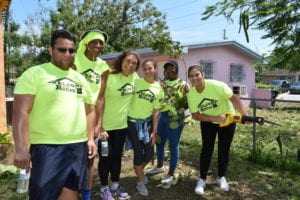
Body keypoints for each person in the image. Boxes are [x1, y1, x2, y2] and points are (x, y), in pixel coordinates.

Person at [12, 29, 97, 200]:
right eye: (62, 49)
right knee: (43, 196)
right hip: (47, 148)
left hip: (77, 147)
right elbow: (21, 112)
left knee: (71, 192)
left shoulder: (80, 79)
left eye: (71, 50)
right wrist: (21, 148)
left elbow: (90, 111)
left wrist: (89, 139)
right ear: (51, 50)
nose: (67, 54)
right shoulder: (34, 74)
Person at [186, 64, 247, 195]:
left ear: (203, 75)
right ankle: (202, 179)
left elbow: (234, 99)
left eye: (197, 74)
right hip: (208, 122)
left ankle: (221, 177)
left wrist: (244, 116)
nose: (194, 78)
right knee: (207, 149)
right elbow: (195, 115)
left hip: (228, 120)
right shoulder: (191, 94)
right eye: (191, 76)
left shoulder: (217, 86)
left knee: (224, 149)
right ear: (189, 78)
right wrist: (216, 118)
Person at [96, 50, 140, 200]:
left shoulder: (134, 77)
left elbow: (145, 86)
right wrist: (99, 126)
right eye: (128, 61)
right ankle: (103, 188)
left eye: (134, 63)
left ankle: (115, 185)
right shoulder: (109, 75)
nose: (130, 65)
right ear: (121, 61)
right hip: (105, 128)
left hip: (121, 126)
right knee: (105, 158)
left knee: (117, 157)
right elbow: (99, 99)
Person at [74, 28, 110, 200]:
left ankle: (87, 193)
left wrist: (98, 124)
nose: (98, 45)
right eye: (94, 41)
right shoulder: (75, 59)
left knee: (90, 159)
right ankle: (70, 191)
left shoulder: (103, 67)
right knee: (72, 158)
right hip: (72, 116)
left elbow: (101, 97)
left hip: (91, 118)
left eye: (101, 42)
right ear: (86, 43)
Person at [147, 60, 189, 185]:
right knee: (159, 142)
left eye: (172, 68)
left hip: (175, 119)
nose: (169, 71)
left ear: (177, 70)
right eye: (167, 69)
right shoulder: (161, 84)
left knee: (173, 145)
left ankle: (170, 173)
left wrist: (177, 102)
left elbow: (186, 105)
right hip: (162, 117)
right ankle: (160, 166)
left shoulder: (183, 84)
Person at [127, 59, 164, 196]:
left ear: (155, 69)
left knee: (149, 153)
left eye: (150, 68)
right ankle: (140, 181)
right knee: (138, 152)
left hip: (147, 124)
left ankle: (139, 171)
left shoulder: (158, 88)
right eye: (145, 69)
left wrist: (154, 131)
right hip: (132, 123)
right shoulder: (136, 82)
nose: (148, 71)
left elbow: (156, 111)